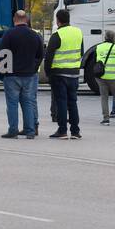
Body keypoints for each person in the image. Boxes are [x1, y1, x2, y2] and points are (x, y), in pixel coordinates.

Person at [0, 10, 44, 138]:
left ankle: (13, 131)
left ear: (14, 19)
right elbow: (40, 54)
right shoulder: (35, 35)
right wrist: (34, 68)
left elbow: (1, 53)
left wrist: (1, 70)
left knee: (12, 103)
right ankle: (30, 130)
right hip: (29, 74)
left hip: (12, 74)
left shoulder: (9, 34)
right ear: (26, 19)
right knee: (27, 102)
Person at [44, 8, 82, 139]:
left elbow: (48, 56)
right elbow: (80, 52)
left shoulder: (57, 35)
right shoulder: (78, 33)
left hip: (59, 73)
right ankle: (76, 131)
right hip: (74, 73)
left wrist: (48, 73)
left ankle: (62, 130)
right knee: (73, 102)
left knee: (61, 102)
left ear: (58, 20)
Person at [95, 30, 115, 125]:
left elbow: (94, 62)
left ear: (105, 37)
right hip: (113, 76)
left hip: (101, 76)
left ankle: (106, 119)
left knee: (104, 97)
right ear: (114, 38)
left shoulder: (98, 47)